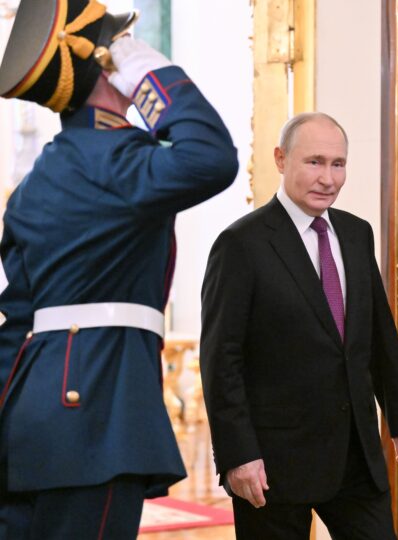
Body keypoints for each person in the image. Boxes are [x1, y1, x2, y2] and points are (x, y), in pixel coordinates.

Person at [0, 1, 239, 537]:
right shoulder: (118, 162)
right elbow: (212, 156)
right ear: (110, 67)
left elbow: (17, 323)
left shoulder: (36, 184)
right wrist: (154, 78)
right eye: (123, 46)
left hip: (30, 421)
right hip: (98, 420)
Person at [200, 112, 398, 539]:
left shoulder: (357, 234)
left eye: (338, 164)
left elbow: (378, 337)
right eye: (314, 162)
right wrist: (237, 455)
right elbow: (221, 361)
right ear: (281, 159)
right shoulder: (240, 244)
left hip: (356, 455)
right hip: (273, 464)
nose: (328, 179)